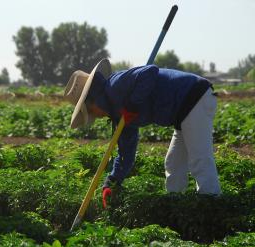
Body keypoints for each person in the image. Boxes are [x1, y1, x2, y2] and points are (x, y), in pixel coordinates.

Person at [64, 58, 221, 208]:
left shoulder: (115, 85)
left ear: (94, 100)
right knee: (173, 163)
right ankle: (176, 206)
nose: (96, 116)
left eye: (91, 111)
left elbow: (149, 72)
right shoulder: (118, 115)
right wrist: (112, 181)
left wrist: (133, 104)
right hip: (181, 111)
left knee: (199, 159)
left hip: (193, 96)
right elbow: (126, 153)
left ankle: (211, 206)